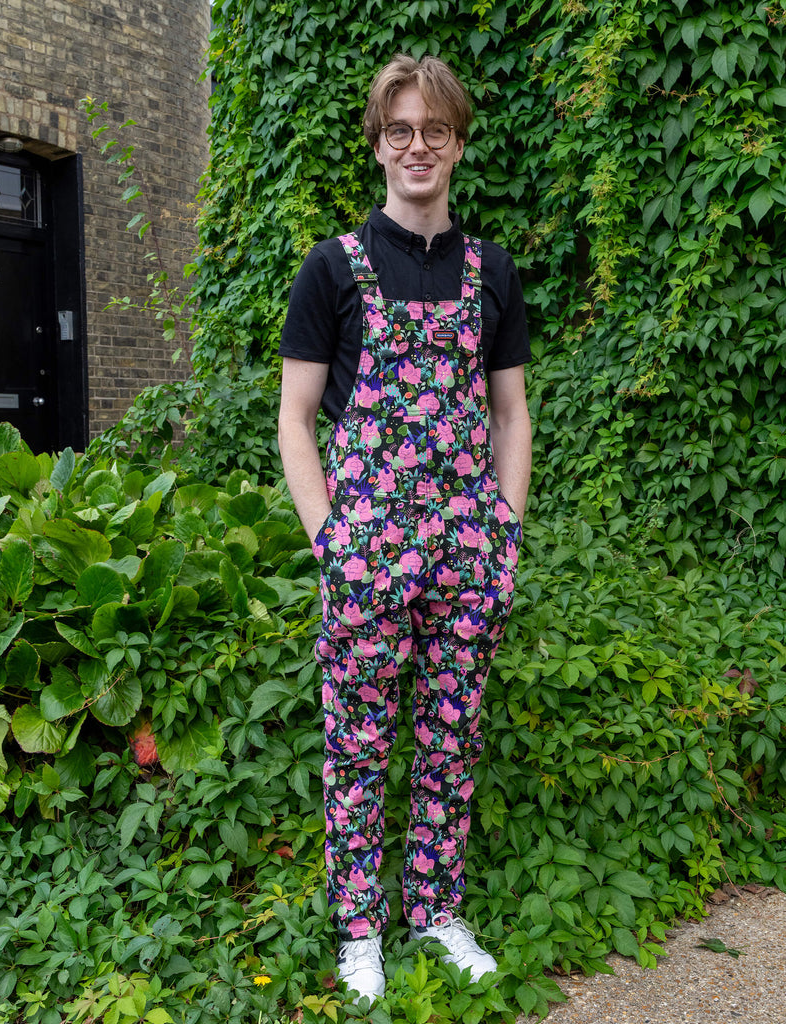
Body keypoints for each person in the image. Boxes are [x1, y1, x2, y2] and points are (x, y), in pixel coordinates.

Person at [277, 53, 532, 1004]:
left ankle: (433, 909)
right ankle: (358, 932)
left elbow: (510, 415)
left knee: (450, 736)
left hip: (468, 551)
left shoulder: (489, 272)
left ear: (457, 143)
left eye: (433, 129)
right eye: (399, 131)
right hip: (365, 550)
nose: (416, 145)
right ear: (380, 146)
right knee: (355, 746)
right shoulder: (331, 268)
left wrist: (501, 534)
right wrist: (329, 542)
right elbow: (295, 419)